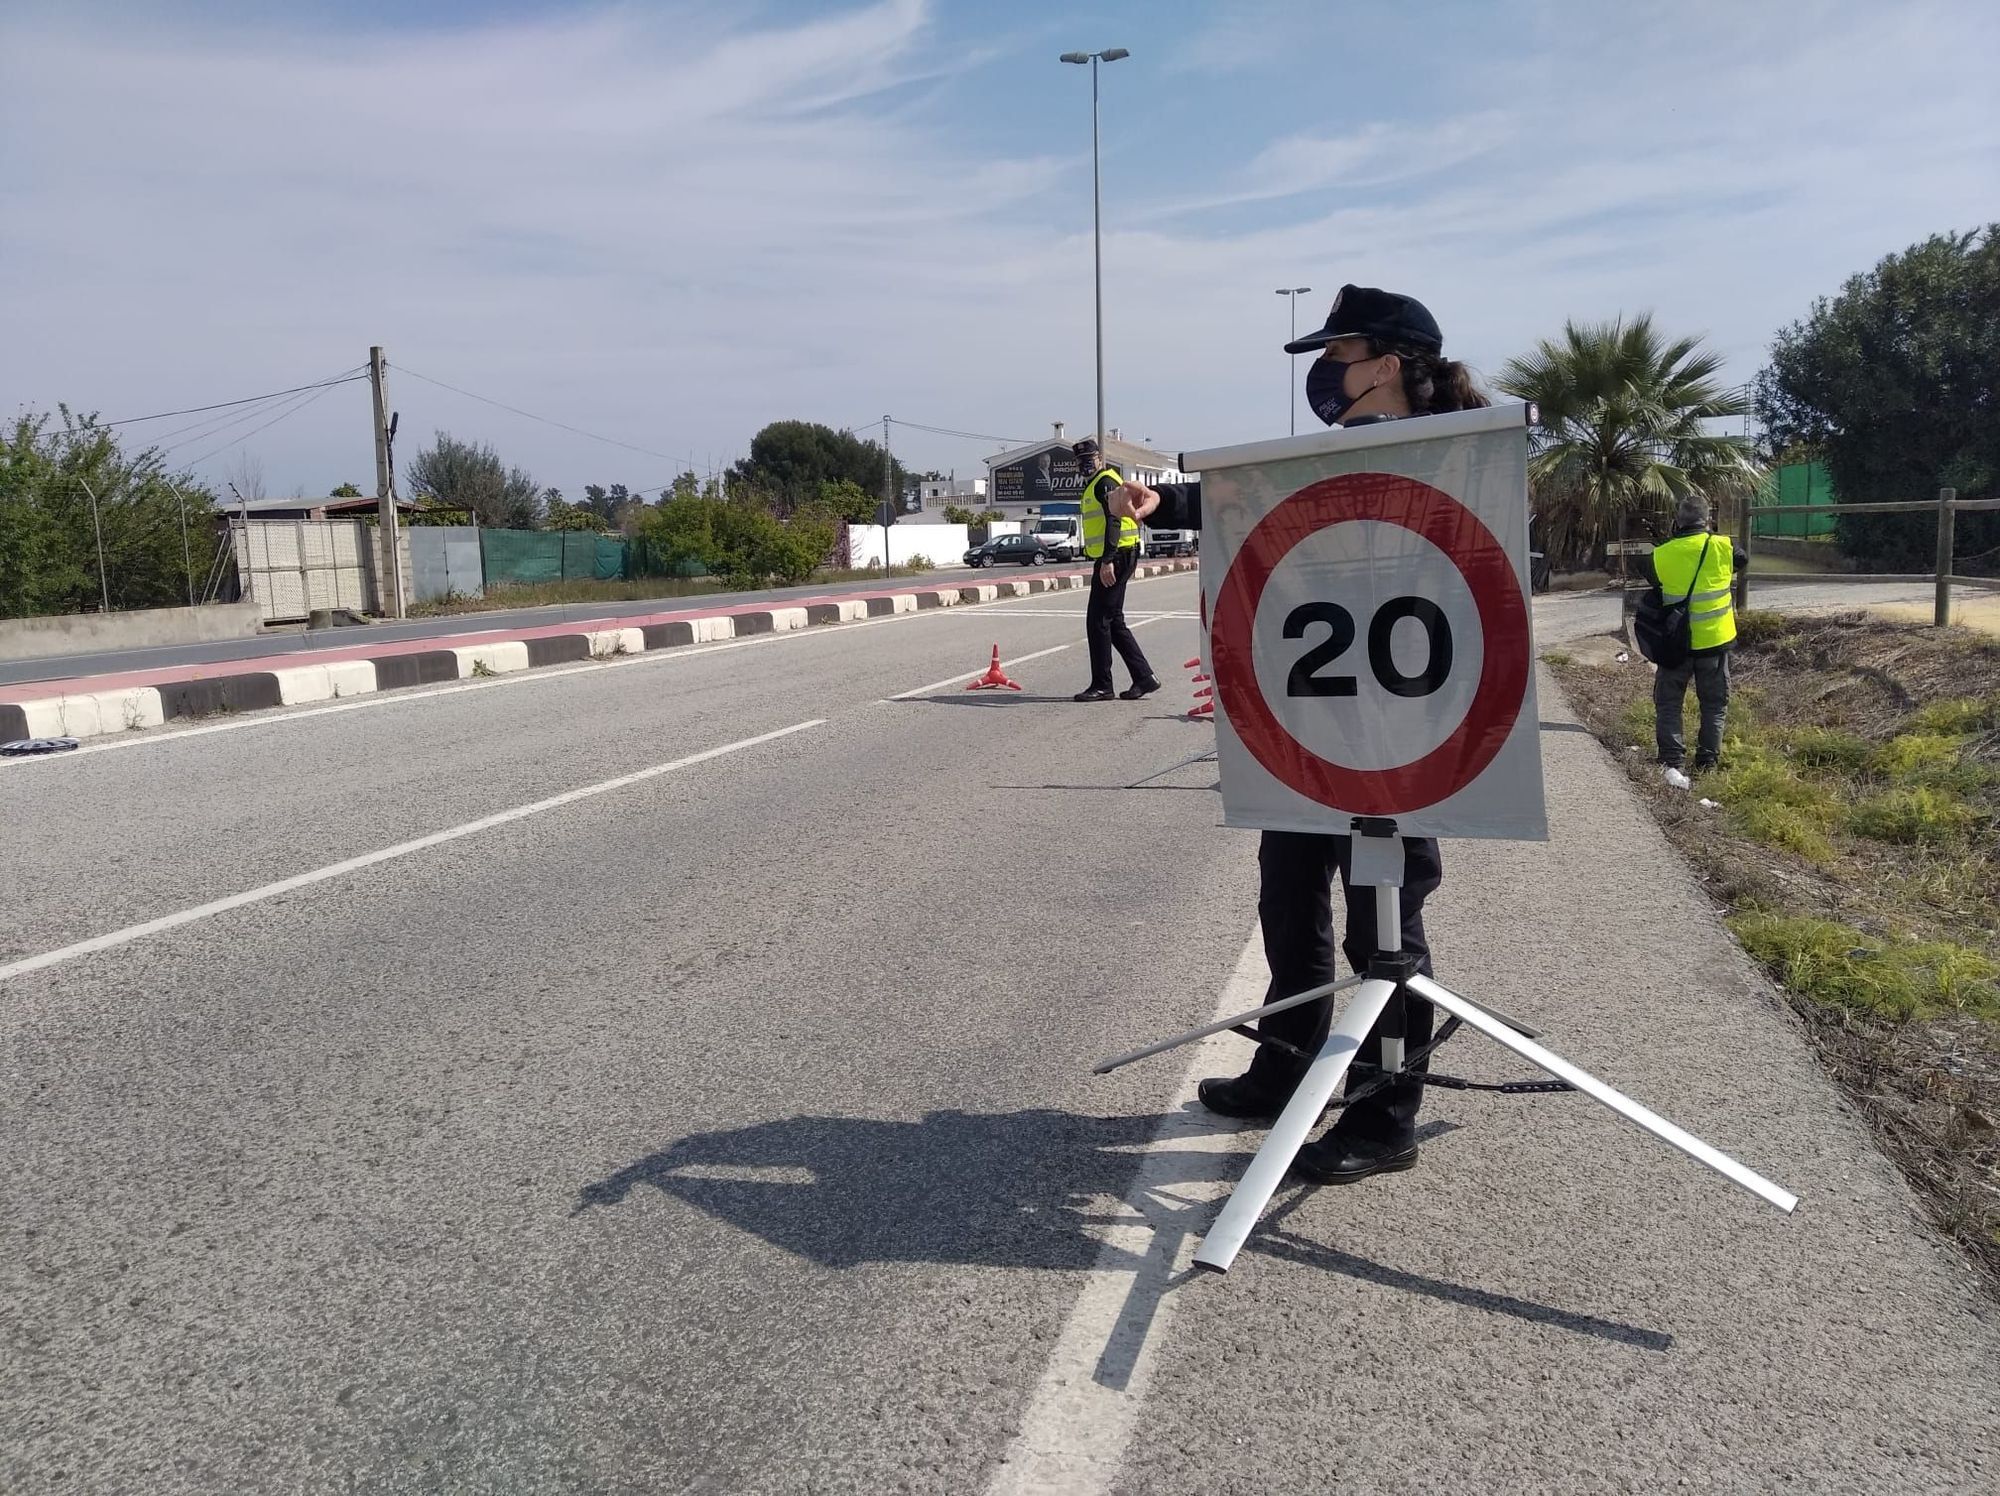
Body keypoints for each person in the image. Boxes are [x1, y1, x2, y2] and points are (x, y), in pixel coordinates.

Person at [1109, 285, 1489, 1184]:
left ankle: (1384, 1113)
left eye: (1339, 353)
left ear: (1387, 363)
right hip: (1309, 729)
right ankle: (1286, 1067)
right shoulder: (1328, 458)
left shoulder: (1459, 459)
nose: (1326, 372)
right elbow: (1260, 512)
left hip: (1397, 735)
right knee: (1287, 900)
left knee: (1384, 925)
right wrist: (1162, 503)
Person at [1646, 496, 1738, 786]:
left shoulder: (1661, 555)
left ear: (1677, 521)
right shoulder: (1724, 547)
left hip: (1675, 645)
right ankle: (1707, 762)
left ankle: (1672, 761)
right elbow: (1743, 559)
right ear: (1707, 520)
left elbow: (1652, 581)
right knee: (1713, 705)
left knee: (1669, 703)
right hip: (1715, 642)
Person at [1072, 437, 1160, 703]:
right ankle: (1144, 677)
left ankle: (1102, 685)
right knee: (1113, 620)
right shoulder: (1098, 484)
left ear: (1100, 459)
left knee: (1098, 621)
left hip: (1116, 555)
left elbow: (1113, 520)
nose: (1086, 465)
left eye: (1090, 460)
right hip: (1118, 553)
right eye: (1081, 462)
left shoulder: (1105, 483)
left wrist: (1108, 559)